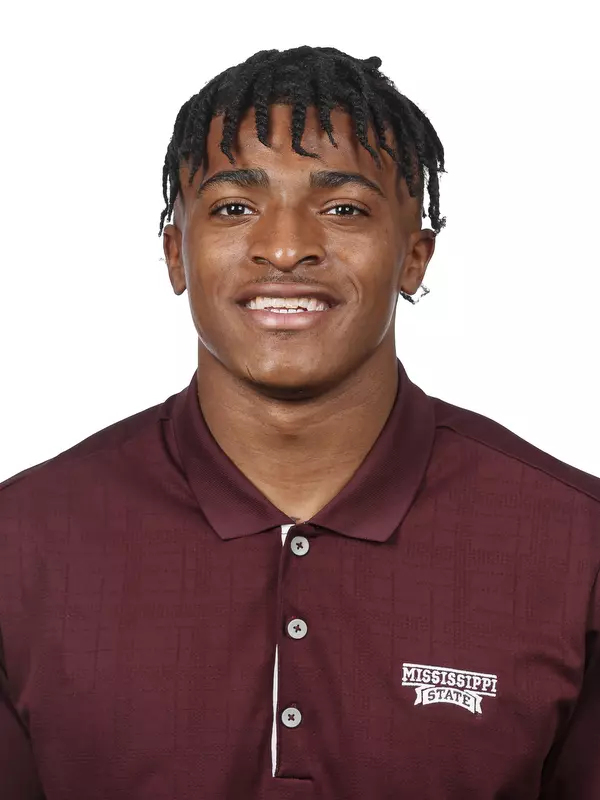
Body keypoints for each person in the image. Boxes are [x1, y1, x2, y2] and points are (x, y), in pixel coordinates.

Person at [0, 45, 598, 800]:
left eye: (343, 209)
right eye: (234, 208)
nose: (285, 249)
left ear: (414, 256)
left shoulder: (575, 544)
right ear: (175, 252)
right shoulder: (22, 540)